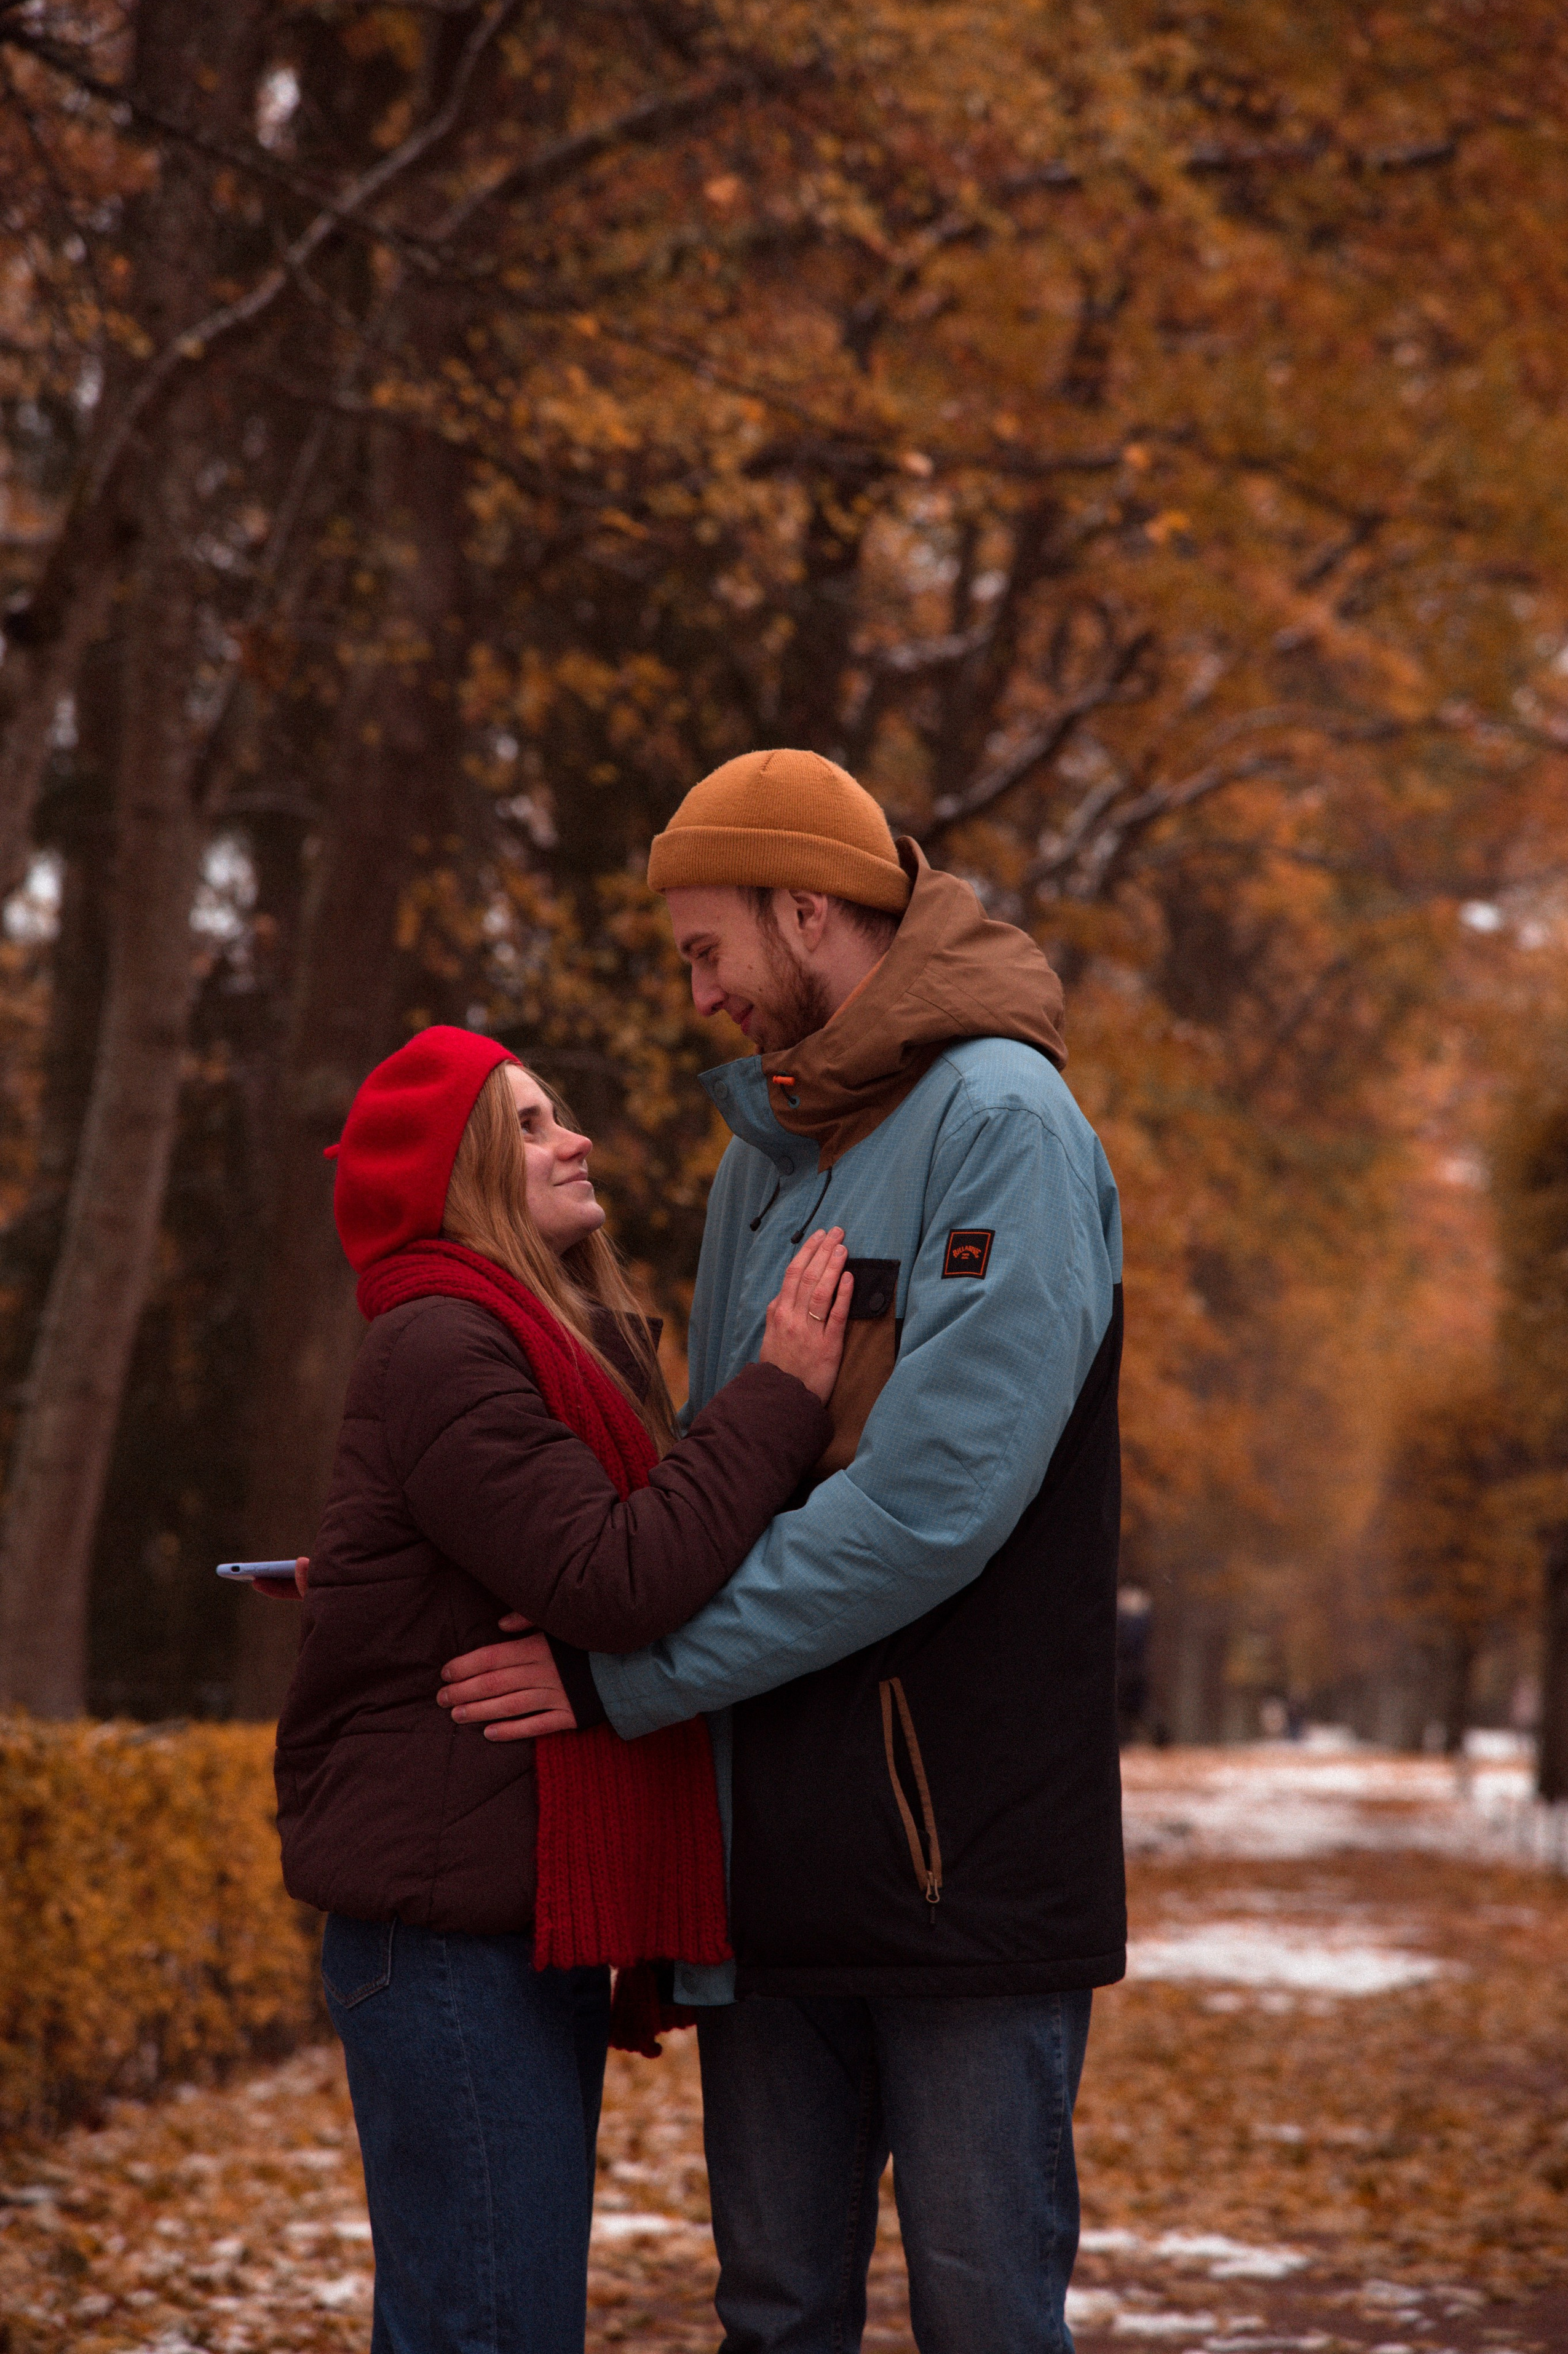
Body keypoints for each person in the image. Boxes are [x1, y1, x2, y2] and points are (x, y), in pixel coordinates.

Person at [439, 750, 1126, 2354]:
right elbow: (713, 1472)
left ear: (807, 912)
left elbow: (930, 1507)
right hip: (764, 1863)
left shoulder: (1005, 1124)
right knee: (774, 2314)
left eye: (707, 950)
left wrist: (623, 1677)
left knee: (984, 2316)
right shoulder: (769, 1148)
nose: (699, 996)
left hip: (960, 1861)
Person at [271, 1021, 852, 2354]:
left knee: (493, 2319)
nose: (572, 1138)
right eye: (527, 1124)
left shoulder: (529, 1339)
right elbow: (618, 1574)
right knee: (487, 2328)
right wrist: (777, 1397)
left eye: (557, 1113)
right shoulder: (445, 1345)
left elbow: (584, 1548)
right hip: (446, 1944)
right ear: (458, 1178)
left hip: (492, 1923)